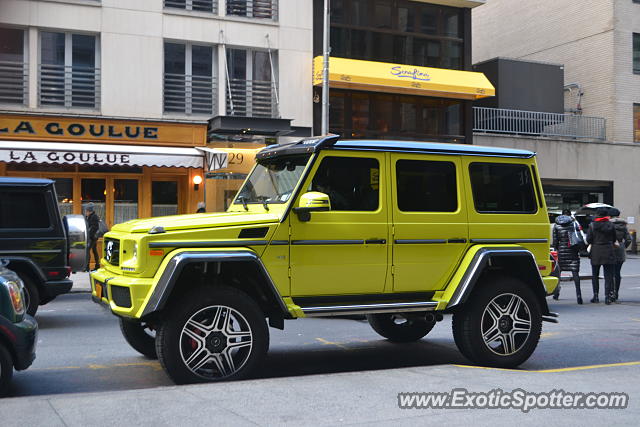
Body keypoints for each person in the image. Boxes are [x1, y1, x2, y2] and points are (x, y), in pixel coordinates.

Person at [586, 207, 617, 304]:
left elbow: (588, 239)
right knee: (608, 275)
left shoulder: (592, 225)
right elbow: (614, 238)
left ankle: (595, 296)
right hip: (608, 250)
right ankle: (607, 297)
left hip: (596, 251)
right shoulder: (611, 225)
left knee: (595, 275)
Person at [552, 209, 583, 304]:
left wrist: (557, 248)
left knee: (558, 274)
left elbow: (555, 241)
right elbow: (579, 237)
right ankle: (579, 296)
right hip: (573, 250)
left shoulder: (556, 225)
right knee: (575, 273)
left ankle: (556, 293)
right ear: (569, 215)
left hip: (562, 250)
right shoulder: (574, 223)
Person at [609, 208, 632, 302]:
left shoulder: (608, 224)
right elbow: (629, 239)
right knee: (617, 272)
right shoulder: (623, 225)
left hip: (609, 248)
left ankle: (610, 292)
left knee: (609, 272)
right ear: (618, 215)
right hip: (620, 249)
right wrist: (623, 246)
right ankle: (616, 292)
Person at [85, 203, 100, 272]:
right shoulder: (89, 217)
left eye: (86, 211)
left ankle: (87, 267)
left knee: (87, 250)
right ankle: (97, 266)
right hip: (92, 237)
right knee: (94, 251)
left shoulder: (94, 217)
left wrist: (89, 235)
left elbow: (95, 227)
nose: (86, 212)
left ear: (89, 211)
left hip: (92, 237)